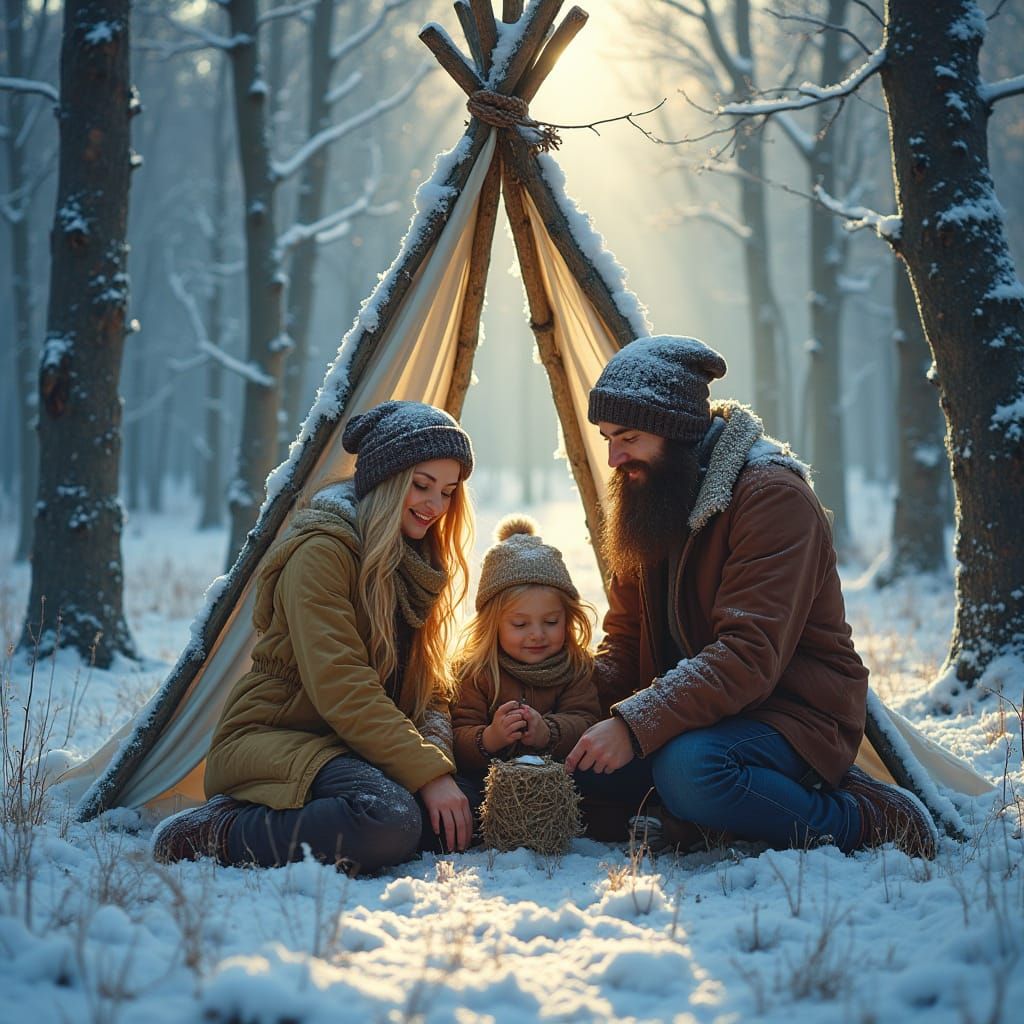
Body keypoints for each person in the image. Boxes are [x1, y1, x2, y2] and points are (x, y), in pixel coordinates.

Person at [564, 335, 938, 859]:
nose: (613, 457)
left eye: (627, 437)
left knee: (690, 772)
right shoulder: (651, 491)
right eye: (606, 438)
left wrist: (634, 724)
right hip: (695, 713)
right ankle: (709, 816)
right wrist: (561, 702)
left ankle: (864, 818)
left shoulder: (771, 498)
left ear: (679, 431)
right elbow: (624, 641)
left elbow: (748, 656)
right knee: (568, 759)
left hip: (793, 715)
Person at [152, 401, 478, 874]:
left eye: (448, 492)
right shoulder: (323, 551)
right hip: (274, 737)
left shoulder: (413, 562)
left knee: (468, 802)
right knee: (388, 819)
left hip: (349, 747)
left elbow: (428, 689)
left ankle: (348, 820)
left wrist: (439, 763)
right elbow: (342, 686)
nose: (435, 506)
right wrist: (426, 775)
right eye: (421, 484)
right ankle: (218, 830)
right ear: (384, 480)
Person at [451, 515, 601, 776]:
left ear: (567, 619)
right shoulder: (477, 672)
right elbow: (457, 735)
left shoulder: (572, 667)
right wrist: (489, 738)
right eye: (520, 624)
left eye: (551, 622)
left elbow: (586, 720)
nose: (537, 635)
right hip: (493, 788)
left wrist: (548, 732)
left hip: (560, 783)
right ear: (492, 625)